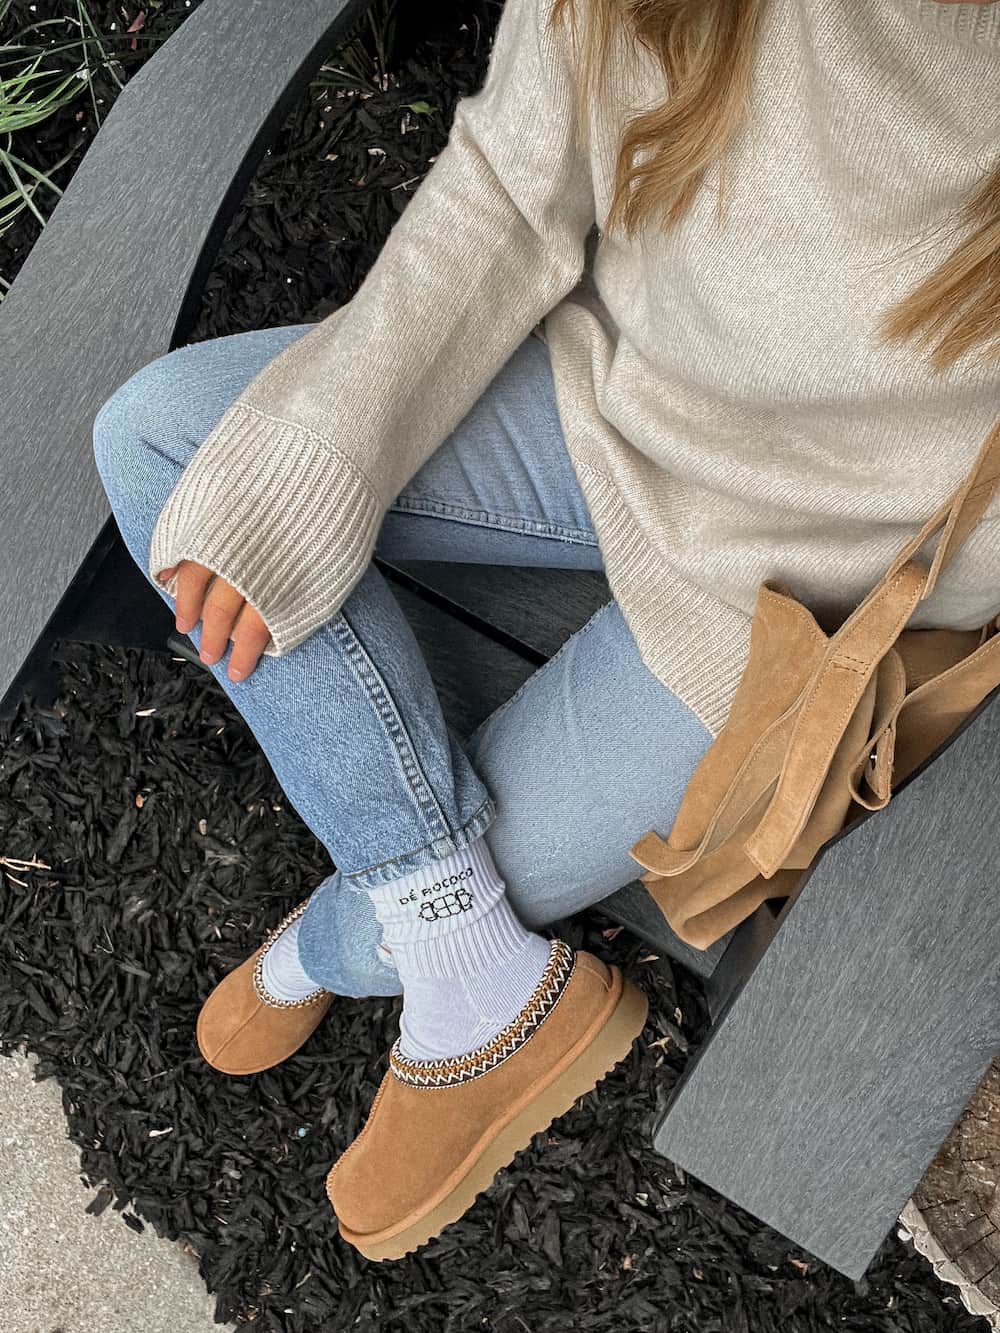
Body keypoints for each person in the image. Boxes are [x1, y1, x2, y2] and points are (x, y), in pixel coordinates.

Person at [92, 0, 999, 1263]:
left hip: (797, 592)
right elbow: (514, 188)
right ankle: (459, 954)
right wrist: (324, 449)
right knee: (167, 445)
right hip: (598, 391)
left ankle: (358, 930)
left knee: (491, 860)